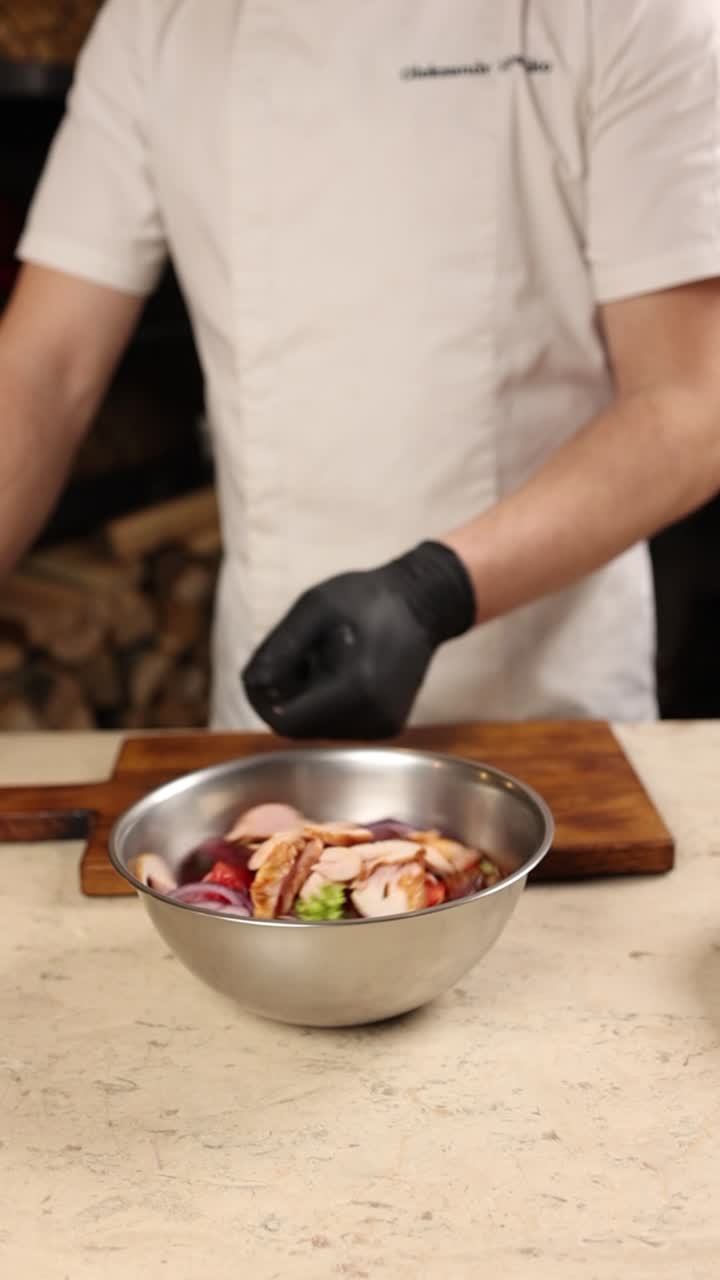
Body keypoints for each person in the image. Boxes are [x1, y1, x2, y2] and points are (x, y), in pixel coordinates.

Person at [4, 0, 720, 737]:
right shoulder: (158, 20)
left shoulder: (631, 13)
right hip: (277, 711)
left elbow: (689, 405)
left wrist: (430, 592)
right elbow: (43, 370)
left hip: (539, 720)